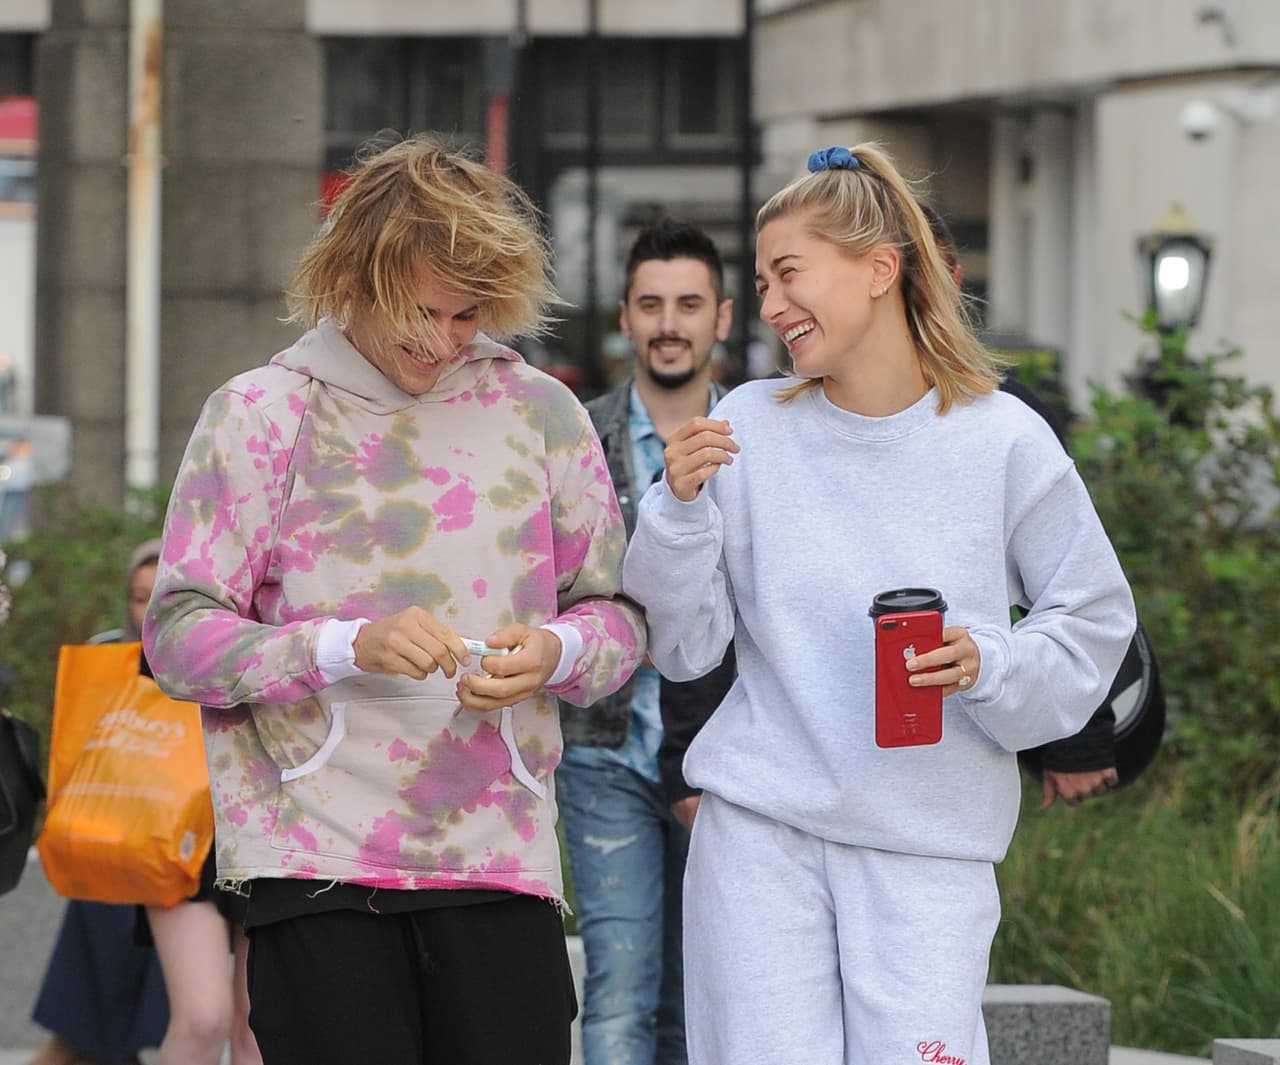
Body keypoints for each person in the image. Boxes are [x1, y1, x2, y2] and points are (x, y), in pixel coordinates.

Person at [621, 143, 1136, 1065]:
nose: (771, 306)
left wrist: (989, 659)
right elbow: (683, 647)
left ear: (878, 269)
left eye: (788, 274)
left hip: (929, 852)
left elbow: (1094, 620)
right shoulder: (747, 428)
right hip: (759, 839)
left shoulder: (1003, 440)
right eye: (765, 280)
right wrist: (677, 510)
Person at [142, 133, 646, 1065]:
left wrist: (560, 653)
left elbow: (617, 618)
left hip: (500, 852)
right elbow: (175, 637)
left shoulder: (541, 411)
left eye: (467, 315)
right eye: (422, 309)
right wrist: (340, 645)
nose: (443, 339)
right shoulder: (261, 413)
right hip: (314, 858)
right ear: (355, 275)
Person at [556, 219, 736, 1065]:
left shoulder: (761, 436)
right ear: (624, 318)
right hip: (603, 753)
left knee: (705, 1003)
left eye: (690, 304)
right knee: (621, 995)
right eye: (652, 304)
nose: (671, 322)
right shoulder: (573, 438)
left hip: (730, 756)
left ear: (723, 318)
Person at [921, 203, 1122, 808]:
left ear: (954, 282)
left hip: (988, 720)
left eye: (923, 273)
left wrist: (1075, 742)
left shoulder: (1011, 414)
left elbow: (1067, 581)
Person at [27, 544, 170, 1065]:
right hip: (105, 844)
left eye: (157, 595)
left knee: (120, 1022)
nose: (146, 609)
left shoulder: (203, 660)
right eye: (137, 596)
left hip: (170, 850)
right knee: (90, 1015)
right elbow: (77, 747)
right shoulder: (104, 652)